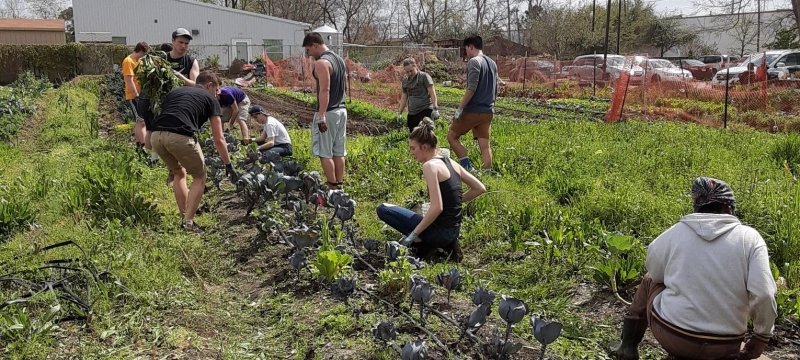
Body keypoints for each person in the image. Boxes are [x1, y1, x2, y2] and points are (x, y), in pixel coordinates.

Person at [611, 177, 777, 360]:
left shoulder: (675, 233)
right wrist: (761, 337)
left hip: (674, 336)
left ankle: (627, 346)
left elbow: (654, 270)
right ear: (728, 208)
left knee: (650, 279)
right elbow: (764, 294)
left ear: (697, 206)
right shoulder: (750, 239)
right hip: (724, 346)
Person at [376, 118, 486, 261]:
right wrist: (454, 203)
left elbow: (437, 208)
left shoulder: (430, 166)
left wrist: (412, 235)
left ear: (425, 147)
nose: (411, 152)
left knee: (384, 209)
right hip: (452, 232)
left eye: (413, 148)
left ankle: (423, 244)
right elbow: (480, 188)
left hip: (439, 233)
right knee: (415, 213)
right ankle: (444, 246)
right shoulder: (450, 162)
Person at [149, 71, 238, 233]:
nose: (218, 94)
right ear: (209, 85)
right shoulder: (211, 99)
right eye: (217, 89)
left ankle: (185, 215)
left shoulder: (175, 91)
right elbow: (218, 138)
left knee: (178, 172)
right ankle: (188, 223)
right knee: (200, 176)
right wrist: (228, 164)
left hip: (156, 136)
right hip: (180, 137)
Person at [303, 32, 347, 190]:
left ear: (315, 45)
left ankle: (332, 184)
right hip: (341, 109)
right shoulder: (339, 60)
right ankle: (339, 183)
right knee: (338, 150)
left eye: (309, 50)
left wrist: (321, 115)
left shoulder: (322, 63)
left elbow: (325, 90)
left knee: (325, 151)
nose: (309, 54)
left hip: (328, 111)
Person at [448, 34, 498, 172]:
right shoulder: (492, 63)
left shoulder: (474, 62)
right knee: (485, 145)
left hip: (473, 110)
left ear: (471, 46)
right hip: (488, 111)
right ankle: (487, 172)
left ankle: (468, 169)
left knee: (452, 136)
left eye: (466, 49)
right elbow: (496, 88)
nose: (466, 52)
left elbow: (471, 88)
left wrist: (459, 109)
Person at [396, 58, 440, 132]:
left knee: (425, 132)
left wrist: (435, 108)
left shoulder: (424, 77)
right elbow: (404, 97)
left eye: (411, 71)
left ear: (415, 66)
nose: (409, 73)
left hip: (425, 109)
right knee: (413, 134)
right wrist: (399, 112)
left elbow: (432, 92)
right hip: (412, 112)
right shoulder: (405, 81)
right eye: (407, 72)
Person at [121, 41, 150, 151]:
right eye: (144, 53)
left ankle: (139, 145)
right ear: (141, 51)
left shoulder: (139, 62)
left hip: (141, 95)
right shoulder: (128, 61)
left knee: (139, 121)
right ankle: (143, 146)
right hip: (133, 96)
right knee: (141, 121)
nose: (144, 56)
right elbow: (129, 80)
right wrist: (136, 95)